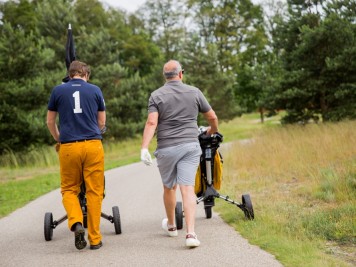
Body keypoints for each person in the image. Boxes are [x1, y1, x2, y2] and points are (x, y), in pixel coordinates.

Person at [141, 59, 219, 248]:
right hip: (190, 146)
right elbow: (212, 117)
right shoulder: (194, 92)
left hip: (166, 147)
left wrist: (144, 147)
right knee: (187, 188)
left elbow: (152, 123)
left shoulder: (156, 95)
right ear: (181, 74)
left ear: (164, 76)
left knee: (169, 187)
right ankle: (191, 234)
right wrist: (212, 130)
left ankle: (172, 226)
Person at [46, 60, 106, 250]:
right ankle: (95, 239)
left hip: (69, 147)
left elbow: (50, 121)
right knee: (94, 192)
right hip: (93, 145)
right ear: (85, 74)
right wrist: (96, 131)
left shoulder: (58, 90)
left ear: (70, 74)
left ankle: (76, 222)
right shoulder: (95, 90)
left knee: (69, 189)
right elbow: (102, 122)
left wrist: (59, 137)